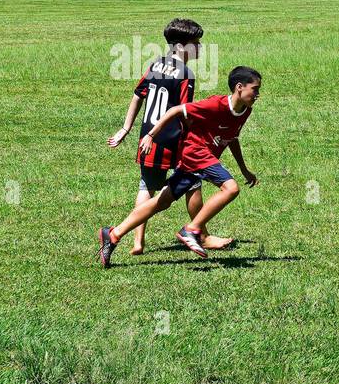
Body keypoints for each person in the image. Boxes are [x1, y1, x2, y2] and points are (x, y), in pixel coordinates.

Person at [98, 66, 261, 267]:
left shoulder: (245, 110)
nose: (257, 95)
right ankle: (192, 230)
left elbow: (232, 137)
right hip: (196, 153)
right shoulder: (214, 104)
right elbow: (175, 110)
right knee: (231, 188)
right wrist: (151, 135)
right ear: (239, 87)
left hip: (199, 160)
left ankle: (113, 234)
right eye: (254, 89)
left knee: (162, 201)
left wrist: (244, 168)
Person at [106, 19, 232, 257]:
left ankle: (138, 242)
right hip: (173, 138)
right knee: (193, 182)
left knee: (147, 187)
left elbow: (137, 95)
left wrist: (125, 129)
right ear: (181, 47)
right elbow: (184, 112)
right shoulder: (186, 74)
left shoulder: (155, 65)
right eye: (196, 43)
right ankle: (201, 235)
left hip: (148, 137)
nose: (201, 47)